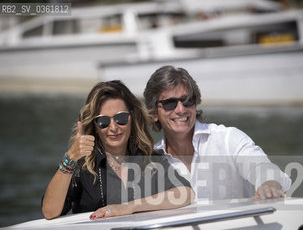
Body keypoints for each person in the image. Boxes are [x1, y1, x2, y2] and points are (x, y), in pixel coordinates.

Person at [42, 80, 194, 220]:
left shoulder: (149, 160)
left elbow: (185, 193)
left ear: (132, 118)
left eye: (120, 118)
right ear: (94, 125)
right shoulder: (82, 166)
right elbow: (49, 211)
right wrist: (70, 157)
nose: (113, 128)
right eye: (103, 121)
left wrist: (130, 207)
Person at [143, 65, 291, 202]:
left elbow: (260, 167)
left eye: (187, 100)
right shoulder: (152, 162)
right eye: (170, 103)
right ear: (154, 113)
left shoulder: (228, 139)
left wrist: (269, 184)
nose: (181, 109)